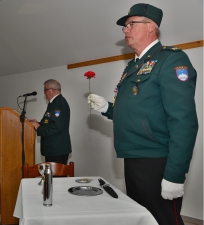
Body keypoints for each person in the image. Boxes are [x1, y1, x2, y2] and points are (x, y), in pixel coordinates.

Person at [88, 3, 198, 225]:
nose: (125, 30)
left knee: (164, 219)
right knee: (140, 218)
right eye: (124, 27)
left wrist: (175, 175)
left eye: (130, 24)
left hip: (157, 159)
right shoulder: (133, 66)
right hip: (133, 156)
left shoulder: (171, 59)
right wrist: (107, 109)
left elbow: (183, 121)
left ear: (151, 26)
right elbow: (136, 110)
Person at [29, 79, 72, 164]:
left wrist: (39, 128)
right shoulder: (54, 103)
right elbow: (49, 121)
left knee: (57, 177)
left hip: (56, 149)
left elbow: (57, 125)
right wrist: (38, 123)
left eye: (45, 90)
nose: (44, 93)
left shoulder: (58, 103)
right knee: (52, 176)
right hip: (54, 149)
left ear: (52, 90)